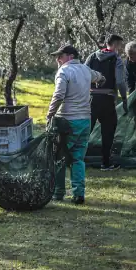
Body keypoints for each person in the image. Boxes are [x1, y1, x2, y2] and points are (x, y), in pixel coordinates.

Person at [46, 45, 105, 205]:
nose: (58, 59)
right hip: (85, 120)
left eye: (61, 56)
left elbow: (58, 95)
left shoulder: (64, 71)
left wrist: (50, 114)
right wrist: (100, 82)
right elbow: (99, 76)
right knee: (78, 159)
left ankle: (58, 193)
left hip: (67, 121)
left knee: (59, 157)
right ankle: (79, 194)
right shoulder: (86, 69)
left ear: (70, 56)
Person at [85, 34, 128, 171]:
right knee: (108, 131)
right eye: (120, 46)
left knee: (85, 131)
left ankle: (74, 160)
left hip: (91, 99)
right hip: (108, 99)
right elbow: (120, 81)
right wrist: (124, 98)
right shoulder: (116, 59)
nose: (121, 49)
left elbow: (83, 74)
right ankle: (106, 163)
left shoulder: (92, 56)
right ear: (115, 45)